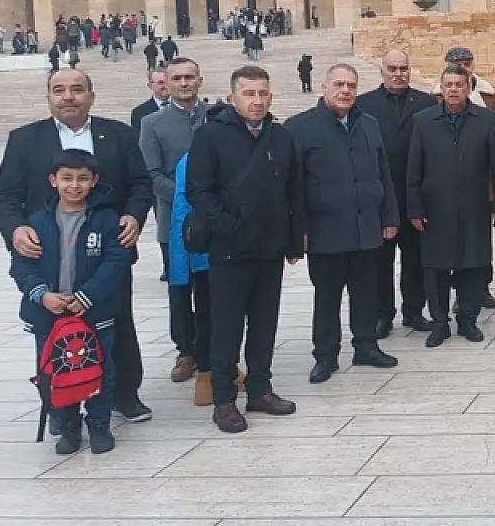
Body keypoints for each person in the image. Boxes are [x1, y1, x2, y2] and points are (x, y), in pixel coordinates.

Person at [0, 70, 153, 423]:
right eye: (59, 90)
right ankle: (58, 406)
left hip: (106, 251)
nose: (68, 96)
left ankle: (124, 394)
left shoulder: (118, 135)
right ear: (48, 96)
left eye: (77, 90)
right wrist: (16, 229)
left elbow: (141, 184)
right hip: (49, 254)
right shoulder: (25, 140)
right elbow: (5, 196)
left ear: (91, 96)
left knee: (116, 323)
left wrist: (133, 216)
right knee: (51, 331)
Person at [185, 65, 303, 432]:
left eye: (263, 94)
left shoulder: (282, 136)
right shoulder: (209, 136)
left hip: (270, 248)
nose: (257, 101)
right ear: (232, 97)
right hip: (230, 249)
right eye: (249, 94)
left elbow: (295, 191)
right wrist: (228, 227)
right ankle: (224, 399)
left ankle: (260, 388)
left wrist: (294, 239)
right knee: (227, 325)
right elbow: (198, 191)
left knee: (265, 321)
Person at [11, 149, 128, 455]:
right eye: (67, 178)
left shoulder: (105, 219)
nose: (74, 186)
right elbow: (21, 265)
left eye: (82, 179)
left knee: (100, 368)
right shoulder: (36, 221)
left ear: (94, 181)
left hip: (93, 312)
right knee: (54, 370)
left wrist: (87, 296)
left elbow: (116, 261)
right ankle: (67, 426)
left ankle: (99, 424)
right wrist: (42, 294)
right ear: (53, 181)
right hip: (49, 315)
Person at [289, 64, 400, 383]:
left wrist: (390, 216)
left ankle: (366, 346)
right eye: (338, 84)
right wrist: (299, 231)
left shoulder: (369, 125)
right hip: (325, 231)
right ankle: (325, 355)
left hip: (366, 226)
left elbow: (383, 173)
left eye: (351, 85)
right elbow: (294, 185)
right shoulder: (301, 128)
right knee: (327, 295)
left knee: (366, 291)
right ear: (323, 87)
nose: (346, 90)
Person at [406, 65, 495, 347]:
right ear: (441, 88)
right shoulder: (423, 121)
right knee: (436, 266)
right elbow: (414, 168)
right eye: (448, 84)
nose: (453, 89)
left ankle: (468, 318)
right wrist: (414, 207)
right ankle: (439, 322)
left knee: (473, 264)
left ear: (468, 88)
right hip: (434, 208)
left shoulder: (486, 119)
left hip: (473, 205)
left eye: (459, 85)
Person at [355, 49, 439, 336]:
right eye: (392, 68)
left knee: (416, 258)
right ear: (382, 71)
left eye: (403, 68)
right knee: (381, 261)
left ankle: (414, 311)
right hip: (380, 198)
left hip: (416, 196)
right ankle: (383, 314)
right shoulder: (364, 105)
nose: (398, 73)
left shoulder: (426, 103)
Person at [138, 57, 210, 382]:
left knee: (214, 289)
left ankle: (214, 348)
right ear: (166, 83)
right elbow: (150, 173)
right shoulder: (152, 123)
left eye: (189, 77)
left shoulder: (217, 117)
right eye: (177, 78)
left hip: (214, 220)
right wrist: (186, 196)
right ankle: (186, 349)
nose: (184, 83)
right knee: (180, 289)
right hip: (174, 221)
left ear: (199, 80)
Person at [169, 150, 221, 406]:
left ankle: (227, 369)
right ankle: (206, 373)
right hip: (204, 252)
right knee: (207, 315)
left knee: (229, 317)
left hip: (239, 249)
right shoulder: (193, 159)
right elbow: (182, 208)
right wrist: (181, 264)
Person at [432, 46, 495, 110]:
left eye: (467, 64)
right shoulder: (436, 97)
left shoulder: (488, 93)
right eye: (457, 65)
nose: (463, 68)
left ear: (473, 65)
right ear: (447, 67)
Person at [131, 70, 169, 142]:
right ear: (150, 86)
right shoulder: (139, 112)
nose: (165, 86)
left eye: (167, 82)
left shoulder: (183, 106)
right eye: (161, 83)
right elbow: (139, 140)